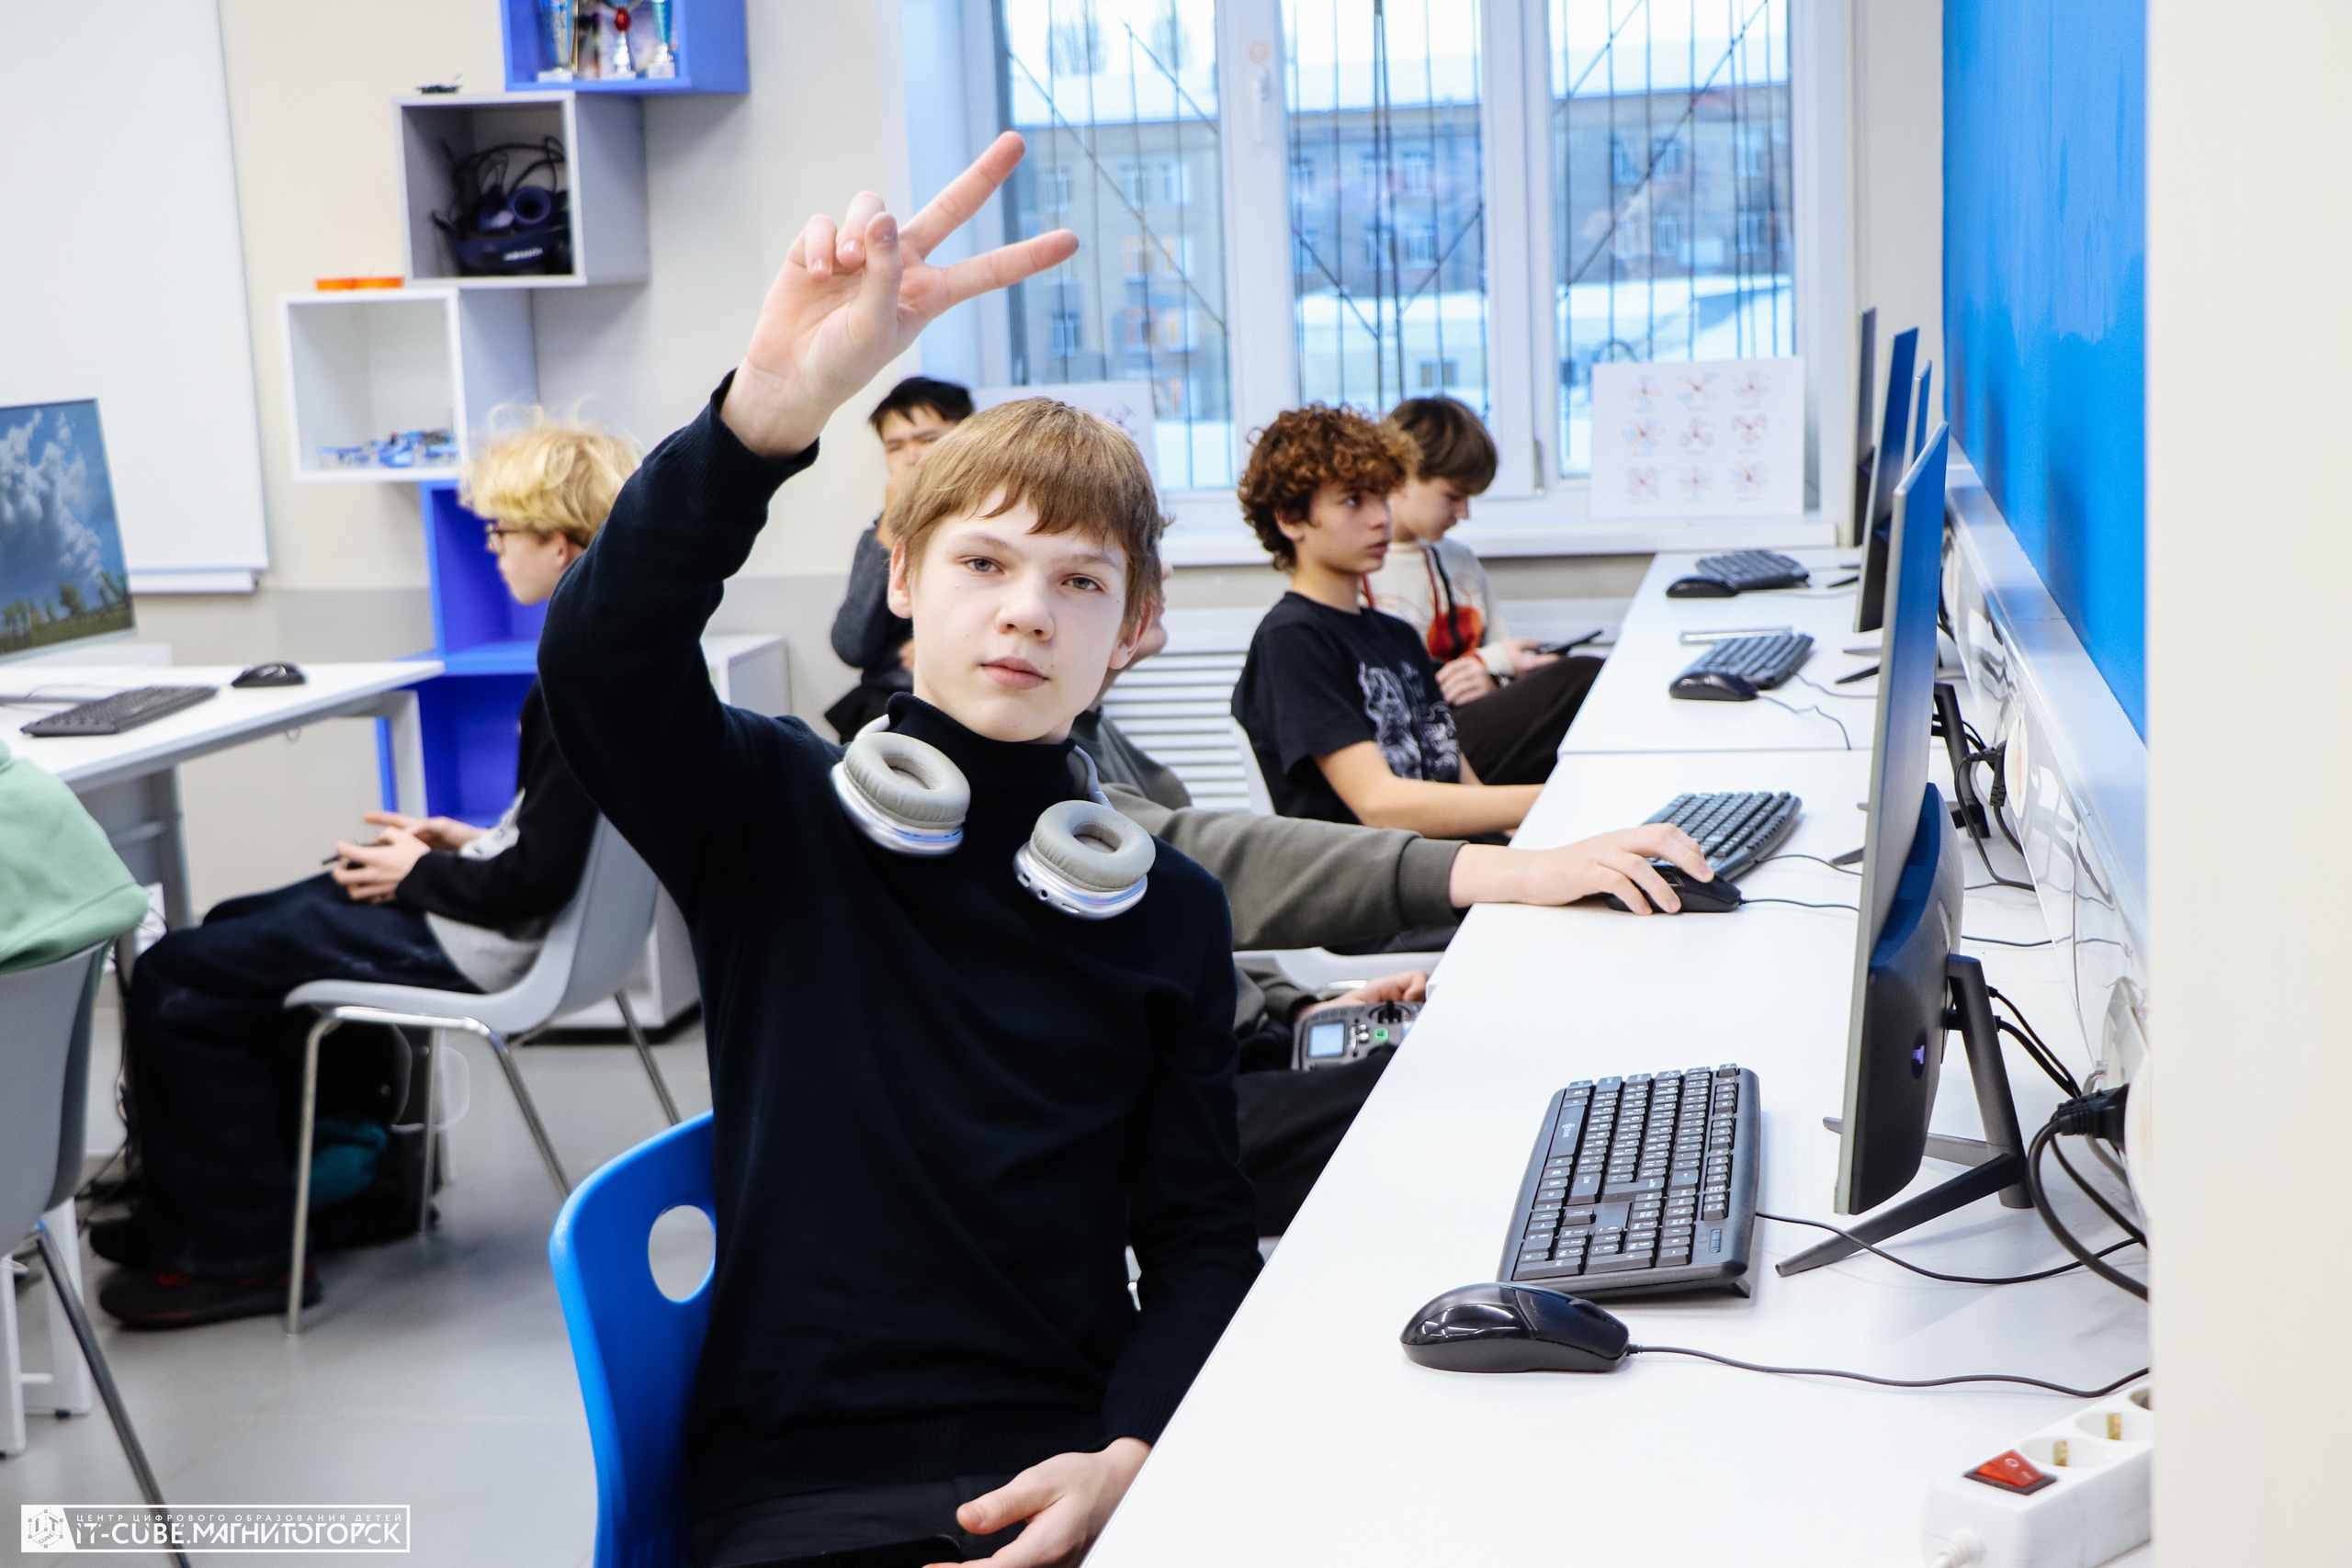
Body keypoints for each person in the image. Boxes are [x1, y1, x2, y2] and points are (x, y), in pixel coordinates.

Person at [536, 136, 1261, 1568]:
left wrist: (1129, 1454)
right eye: (983, 562)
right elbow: (601, 655)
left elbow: (1197, 1243)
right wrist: (765, 415)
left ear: (1135, 631)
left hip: (1078, 1462)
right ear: (904, 580)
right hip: (815, 1484)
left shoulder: (1167, 908)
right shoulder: (771, 812)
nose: (1026, 611)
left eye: (1078, 581)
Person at [94, 412, 630, 1329]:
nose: (493, 548)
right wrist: (460, 840)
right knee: (232, 923)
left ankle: (240, 1256)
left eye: (503, 530)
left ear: (562, 543)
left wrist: (415, 875)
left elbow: (535, 883)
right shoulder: (614, 650)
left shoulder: (575, 674)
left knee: (180, 976)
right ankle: (312, 1195)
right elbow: (554, 840)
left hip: (487, 939)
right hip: (501, 916)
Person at [1230, 402, 1548, 837]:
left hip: (1453, 859)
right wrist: (1555, 798)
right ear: (1290, 518)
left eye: (1382, 497)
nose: (1381, 517)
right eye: (1353, 501)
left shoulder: (1398, 637)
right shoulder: (1292, 640)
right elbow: (1380, 805)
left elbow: (1463, 784)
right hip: (1380, 871)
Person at [1363, 396, 1605, 785]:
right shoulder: (1362, 570)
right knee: (1581, 677)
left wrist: (1492, 674)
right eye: (1453, 496)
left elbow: (1499, 658)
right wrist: (1490, 663)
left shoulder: (1459, 560)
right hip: (1421, 738)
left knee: (1584, 695)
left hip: (1472, 726)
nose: (1464, 514)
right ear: (1402, 476)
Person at [825, 376, 975, 739]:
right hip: (889, 708)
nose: (912, 457)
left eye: (928, 440)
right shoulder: (877, 536)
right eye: (895, 446)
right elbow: (851, 647)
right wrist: (891, 528)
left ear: (969, 439)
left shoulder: (992, 529)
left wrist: (941, 644)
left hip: (968, 708)